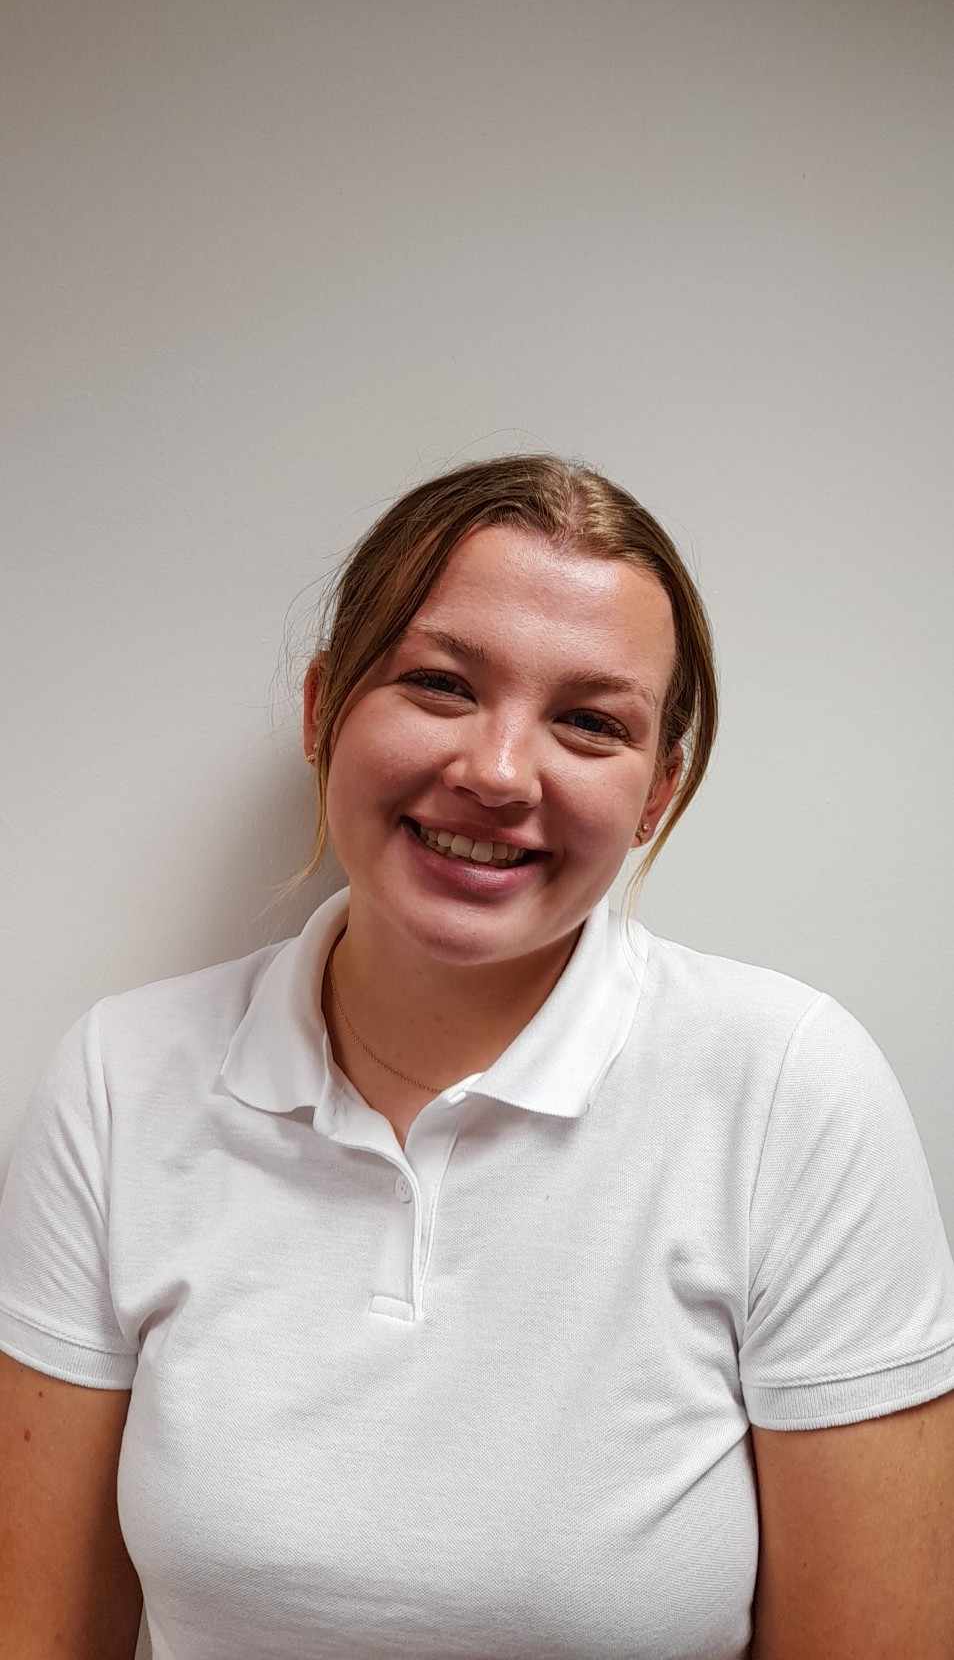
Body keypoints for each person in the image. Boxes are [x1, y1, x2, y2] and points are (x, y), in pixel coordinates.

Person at [1, 451, 953, 1660]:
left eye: (589, 722)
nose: (499, 773)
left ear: (657, 794)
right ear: (321, 711)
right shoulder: (119, 1080)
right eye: (441, 685)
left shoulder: (788, 1092)